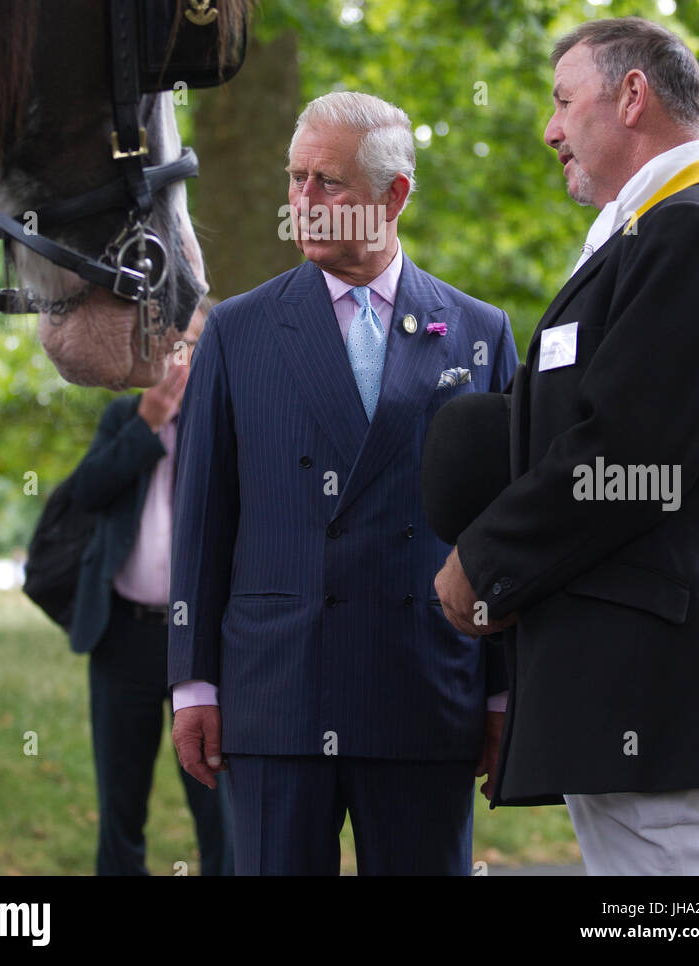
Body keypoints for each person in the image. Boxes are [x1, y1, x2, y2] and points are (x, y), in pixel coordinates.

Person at [434, 16, 699, 875]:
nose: (549, 128)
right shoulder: (650, 231)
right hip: (613, 664)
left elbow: (632, 456)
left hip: (652, 675)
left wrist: (487, 561)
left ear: (631, 96)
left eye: (562, 99)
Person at [168, 91, 518, 876]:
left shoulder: (479, 332)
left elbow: (500, 529)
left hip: (425, 692)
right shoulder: (237, 331)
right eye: (294, 180)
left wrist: (502, 696)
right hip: (277, 698)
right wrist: (193, 682)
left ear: (394, 196)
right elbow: (201, 518)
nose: (302, 203)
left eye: (327, 183)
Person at [69, 303, 234, 876]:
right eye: (167, 345)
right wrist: (147, 424)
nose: (177, 357)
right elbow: (83, 494)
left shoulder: (224, 423)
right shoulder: (123, 419)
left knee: (218, 806)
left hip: (202, 645)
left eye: (190, 344)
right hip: (123, 635)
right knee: (120, 800)